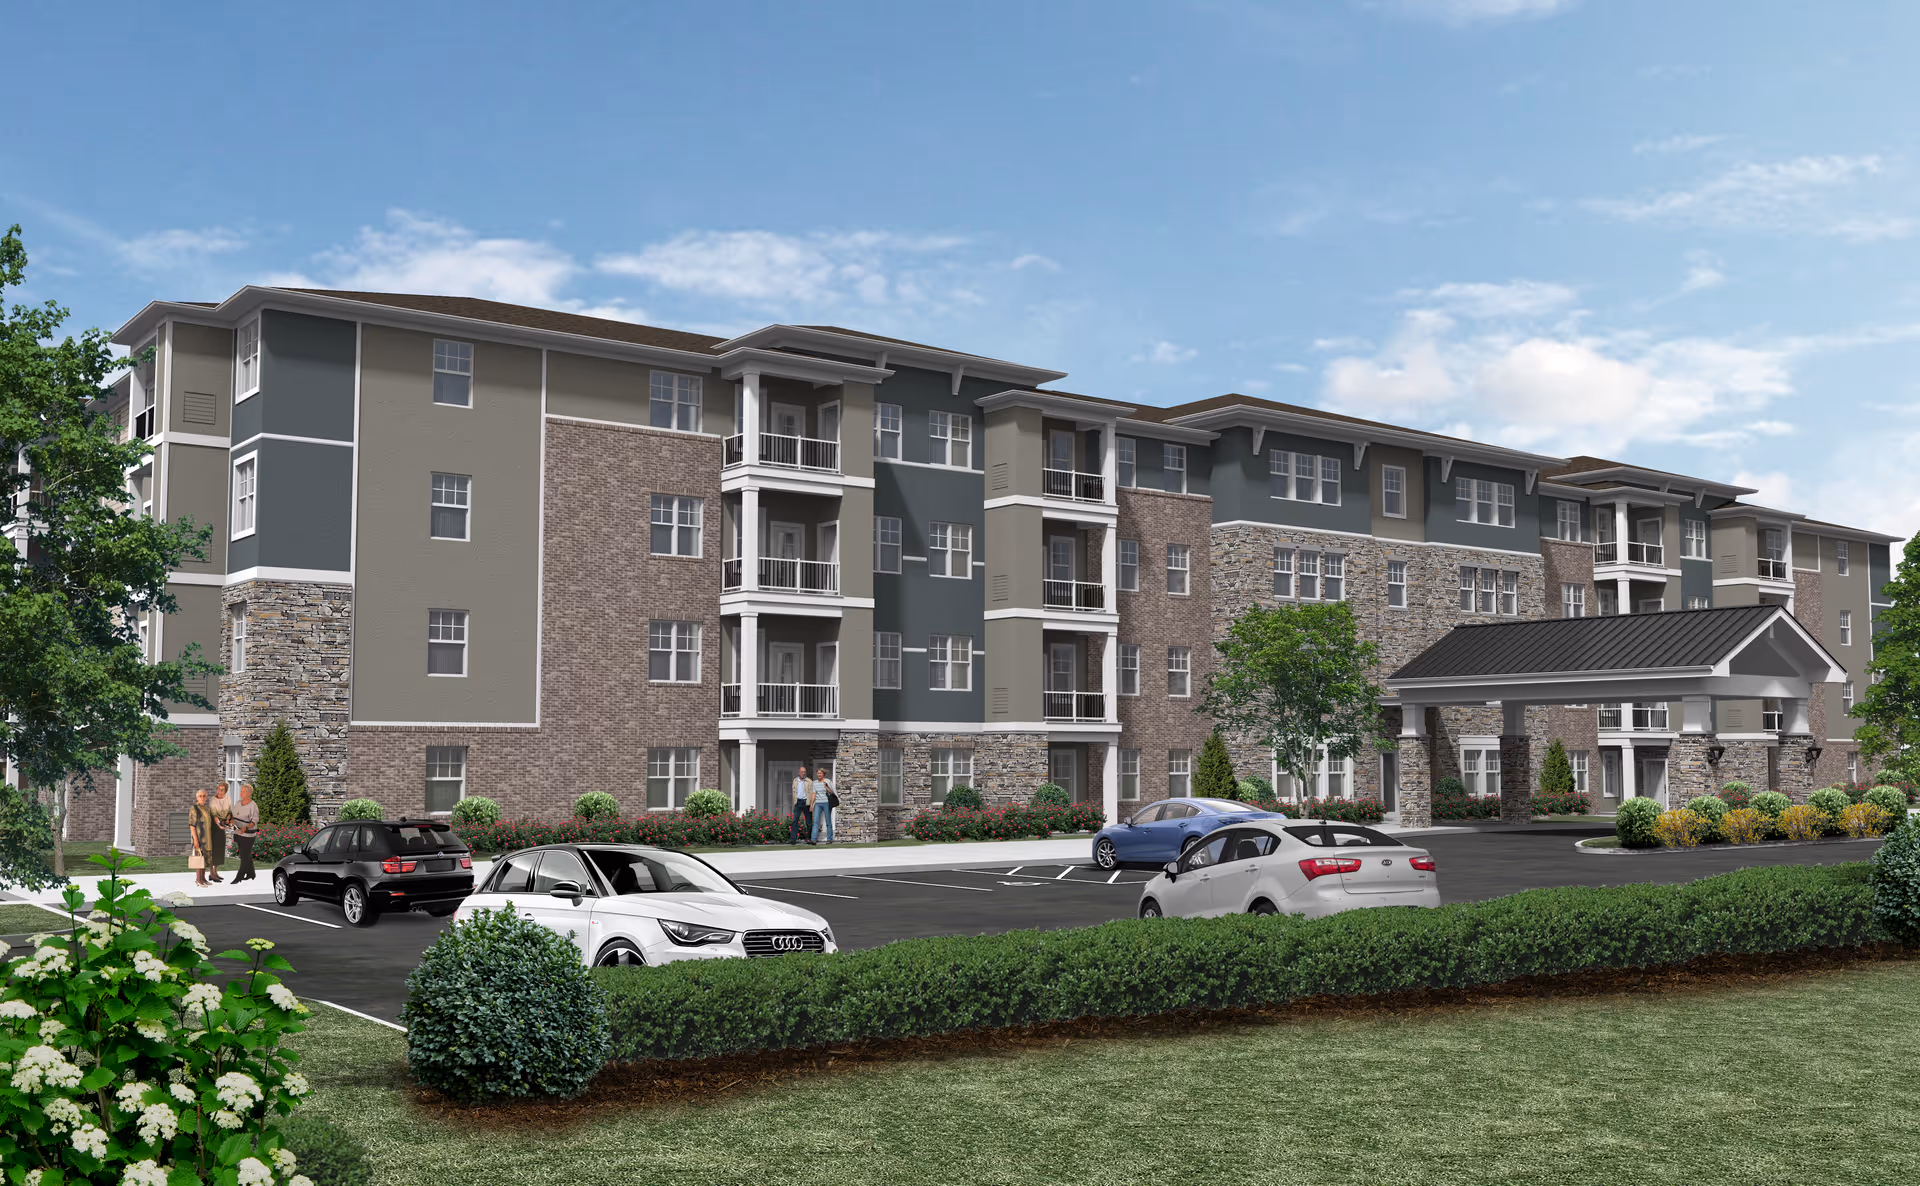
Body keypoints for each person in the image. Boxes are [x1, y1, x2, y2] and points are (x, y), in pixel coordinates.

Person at [228, 783, 261, 882]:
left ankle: (239, 877)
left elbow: (254, 821)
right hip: (238, 832)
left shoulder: (253, 806)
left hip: (248, 834)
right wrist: (231, 820)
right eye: (241, 791)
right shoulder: (238, 803)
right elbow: (233, 815)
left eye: (243, 791)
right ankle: (251, 874)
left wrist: (245, 828)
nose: (241, 793)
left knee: (244, 855)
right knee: (245, 854)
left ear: (249, 793)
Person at [188, 789, 217, 889]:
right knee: (199, 859)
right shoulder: (194, 809)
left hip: (207, 838)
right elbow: (192, 825)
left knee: (206, 858)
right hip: (199, 838)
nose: (202, 798)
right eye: (200, 796)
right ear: (197, 797)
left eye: (204, 796)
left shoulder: (207, 809)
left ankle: (203, 879)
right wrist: (195, 840)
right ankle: (198, 880)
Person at [207, 782, 232, 883]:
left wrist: (228, 821)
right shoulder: (213, 800)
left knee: (219, 849)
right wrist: (219, 824)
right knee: (213, 848)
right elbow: (214, 814)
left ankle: (215, 872)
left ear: (225, 791)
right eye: (218, 789)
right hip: (213, 826)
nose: (219, 791)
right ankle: (211, 873)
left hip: (222, 826)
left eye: (222, 789)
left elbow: (229, 812)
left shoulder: (227, 799)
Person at [811, 766, 836, 845]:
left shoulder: (827, 781)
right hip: (818, 804)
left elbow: (831, 793)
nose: (819, 774)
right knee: (815, 822)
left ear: (823, 774)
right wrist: (811, 804)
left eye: (820, 773)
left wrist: (826, 787)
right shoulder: (814, 783)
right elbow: (814, 794)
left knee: (828, 822)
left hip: (826, 803)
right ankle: (814, 839)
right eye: (818, 773)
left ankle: (829, 839)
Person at [789, 765, 813, 844]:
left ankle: (808, 838)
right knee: (795, 821)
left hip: (806, 802)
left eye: (804, 772)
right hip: (798, 802)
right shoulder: (795, 781)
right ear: (798, 773)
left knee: (808, 822)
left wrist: (812, 804)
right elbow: (794, 792)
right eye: (802, 772)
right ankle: (793, 839)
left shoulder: (809, 781)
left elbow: (812, 793)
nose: (803, 773)